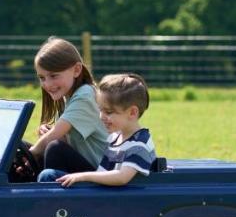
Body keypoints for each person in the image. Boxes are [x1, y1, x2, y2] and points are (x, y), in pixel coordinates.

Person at [40, 73, 156, 187]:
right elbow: (102, 172)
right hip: (104, 191)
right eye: (101, 110)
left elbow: (121, 177)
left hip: (115, 200)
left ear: (132, 112)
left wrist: (81, 176)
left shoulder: (139, 145)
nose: (101, 116)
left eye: (109, 112)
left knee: (48, 176)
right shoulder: (116, 137)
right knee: (50, 170)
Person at [29, 37, 108, 178]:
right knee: (37, 146)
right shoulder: (69, 97)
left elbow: (54, 139)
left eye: (53, 76)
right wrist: (50, 135)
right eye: (42, 78)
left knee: (54, 149)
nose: (47, 84)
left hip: (101, 176)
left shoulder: (85, 95)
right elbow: (66, 139)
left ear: (77, 70)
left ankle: (49, 195)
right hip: (87, 169)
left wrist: (31, 154)